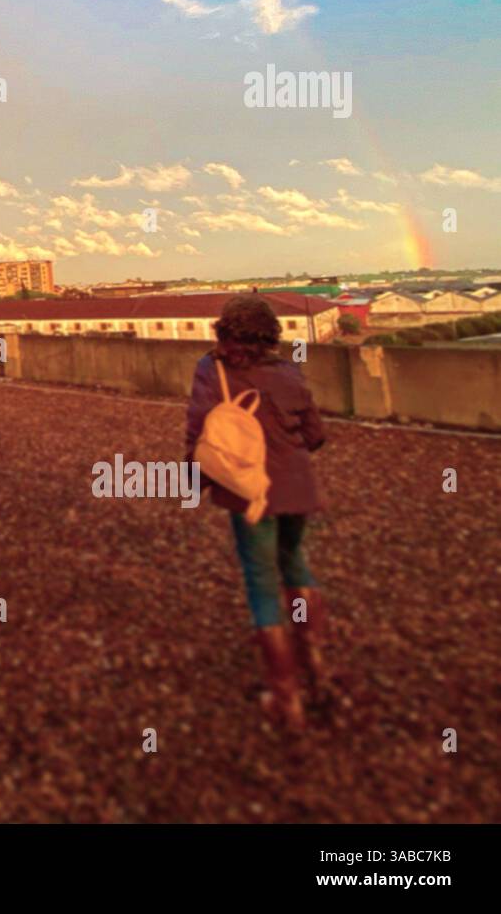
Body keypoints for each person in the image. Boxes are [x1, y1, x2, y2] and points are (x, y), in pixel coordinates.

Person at [184, 294, 329, 731]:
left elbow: (197, 434)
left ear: (225, 331)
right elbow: (316, 434)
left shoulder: (212, 370)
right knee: (295, 565)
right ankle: (316, 665)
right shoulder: (288, 372)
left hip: (249, 495)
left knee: (262, 584)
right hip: (295, 489)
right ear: (270, 334)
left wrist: (197, 483)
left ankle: (286, 698)